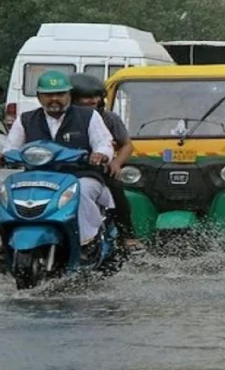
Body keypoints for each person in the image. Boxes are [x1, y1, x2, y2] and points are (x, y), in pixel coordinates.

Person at [1, 71, 115, 258]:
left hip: (78, 175)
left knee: (84, 190)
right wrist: (5, 155)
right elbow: (11, 147)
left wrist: (100, 154)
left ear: (69, 95)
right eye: (48, 95)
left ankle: (86, 242)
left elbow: (104, 142)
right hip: (36, 177)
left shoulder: (89, 116)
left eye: (60, 94)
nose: (54, 99)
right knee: (4, 191)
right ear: (39, 97)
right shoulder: (26, 119)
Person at [69, 73, 144, 253]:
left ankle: (127, 235)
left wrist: (116, 163)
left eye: (96, 96)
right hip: (64, 169)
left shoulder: (109, 118)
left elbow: (126, 145)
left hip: (96, 170)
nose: (92, 101)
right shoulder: (64, 118)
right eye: (85, 97)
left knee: (116, 189)